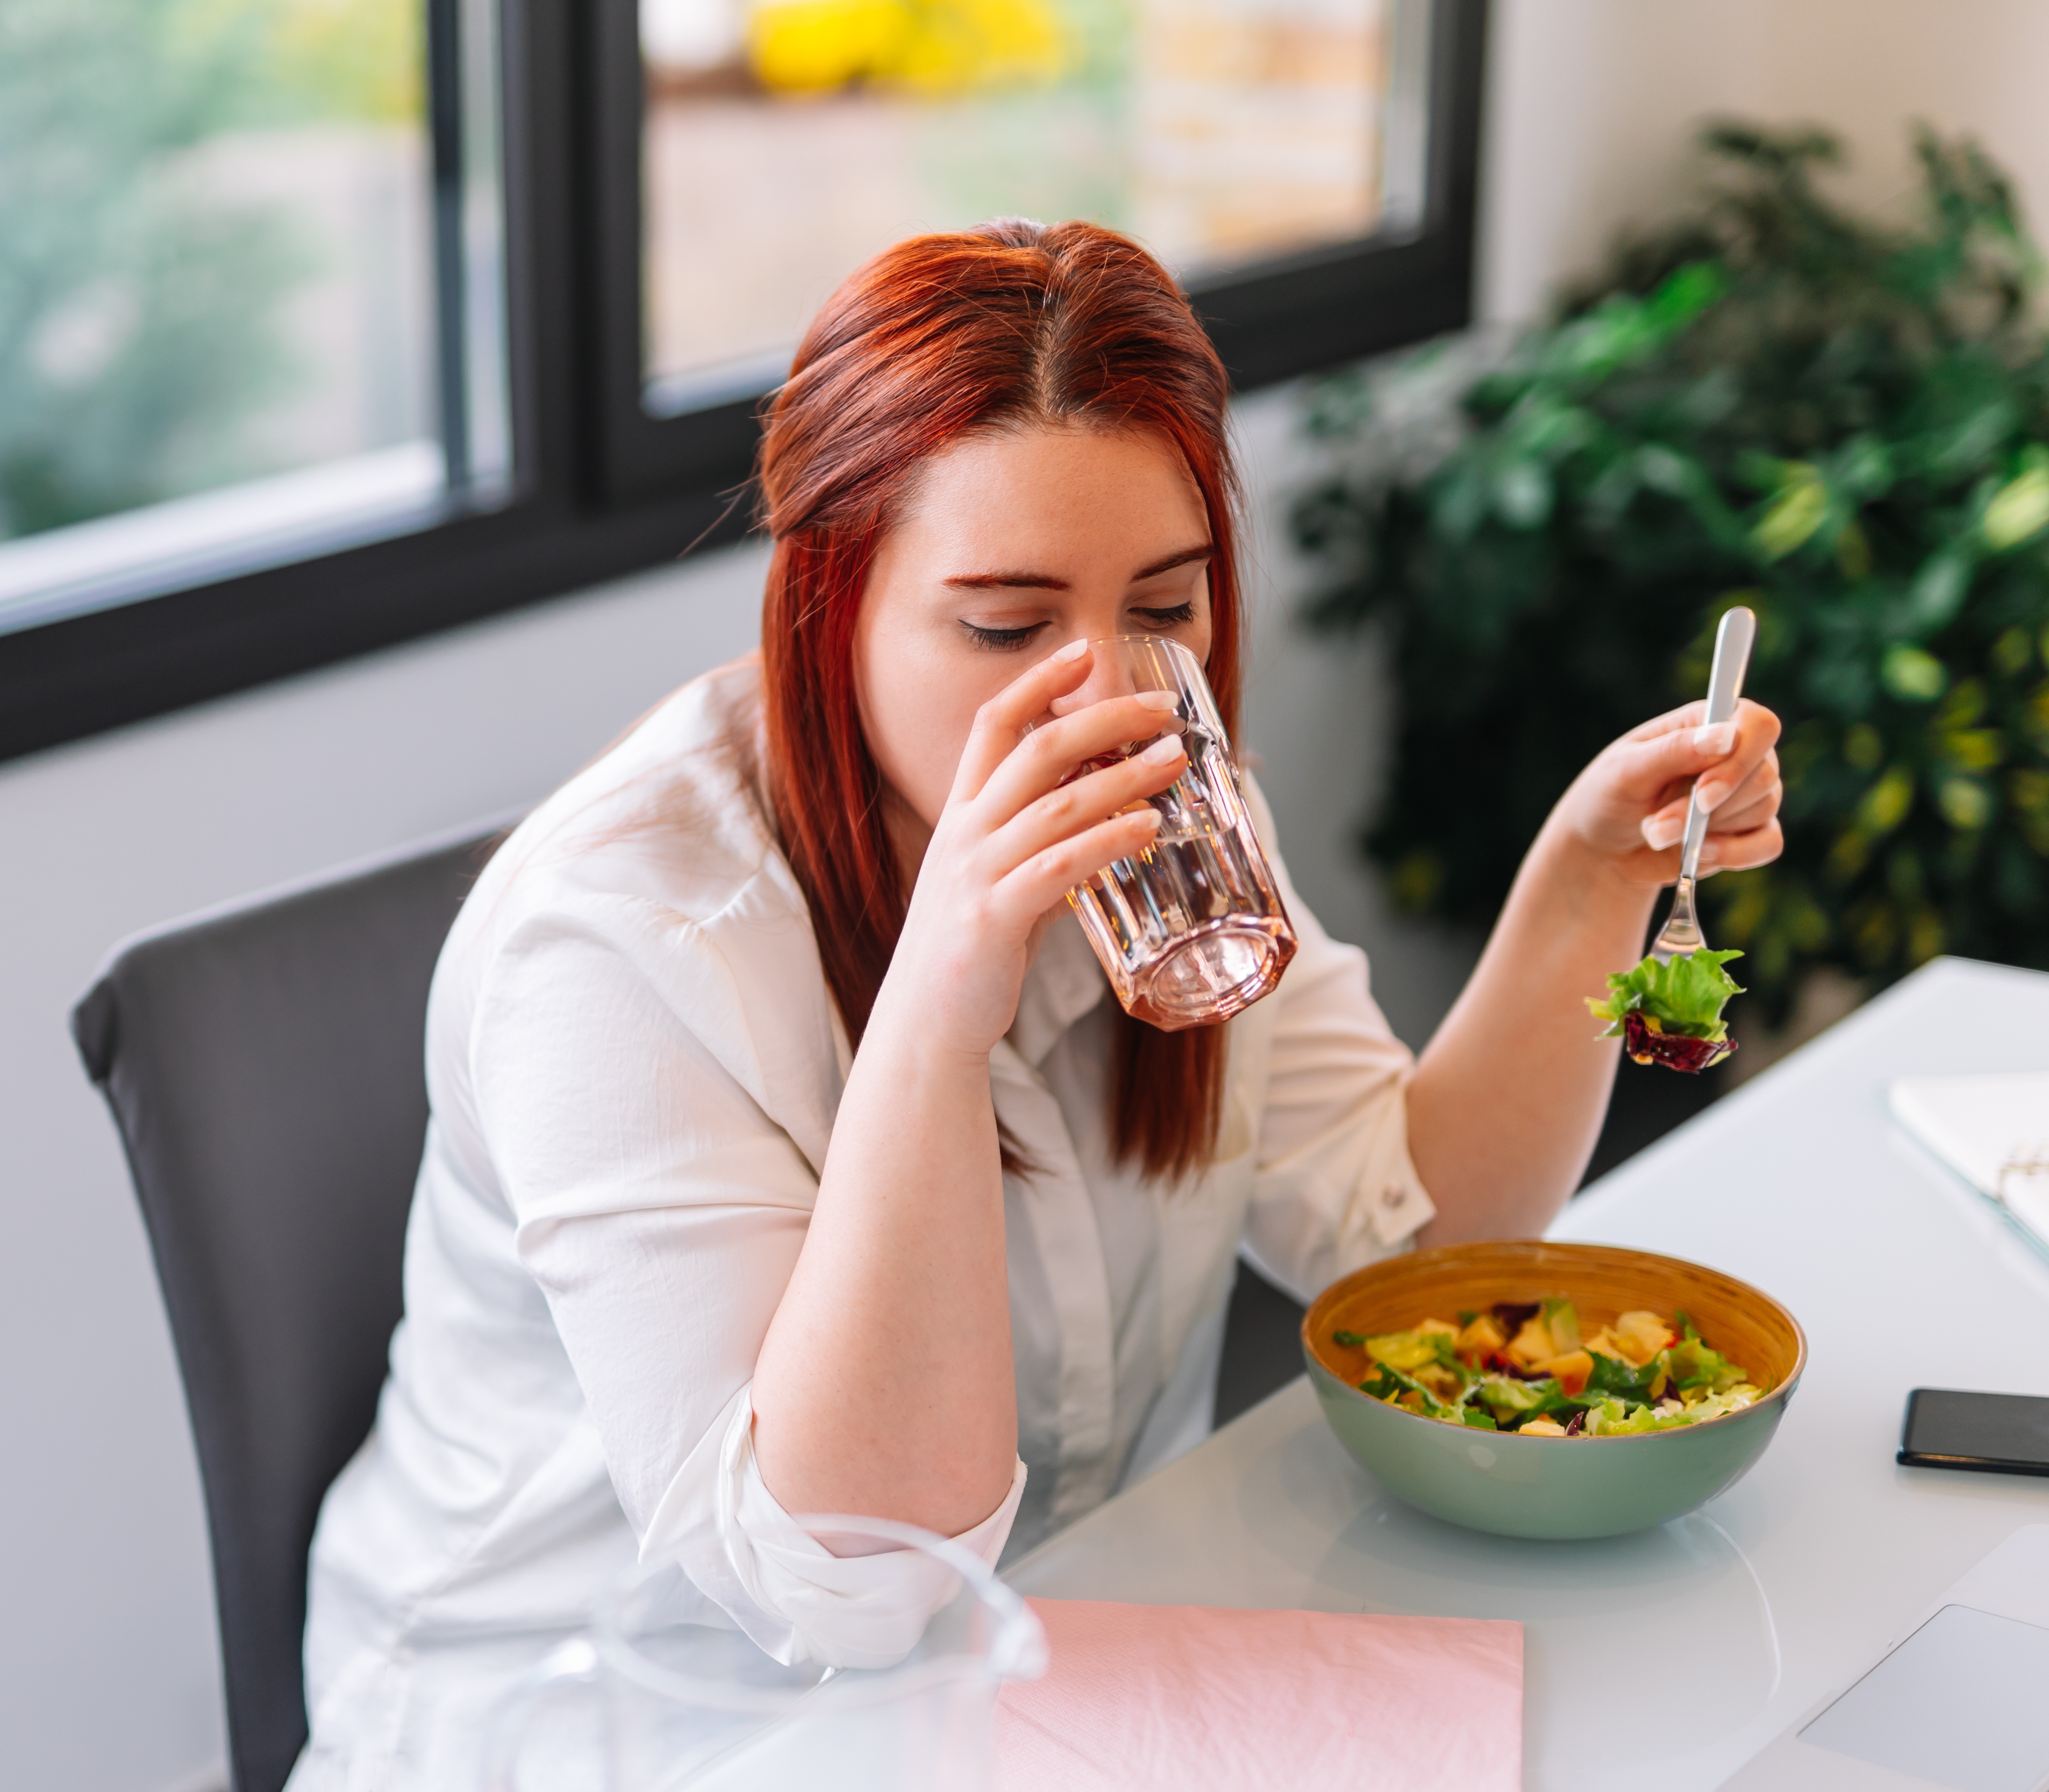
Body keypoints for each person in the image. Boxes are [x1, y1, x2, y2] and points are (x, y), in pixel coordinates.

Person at [288, 220, 1783, 1789]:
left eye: (1168, 608)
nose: (1112, 699)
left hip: (1026, 1681)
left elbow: (1414, 1247)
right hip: (618, 1730)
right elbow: (853, 1585)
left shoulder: (1181, 818)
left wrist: (1593, 875)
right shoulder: (623, 944)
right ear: (828, 609)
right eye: (1007, 629)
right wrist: (943, 1004)